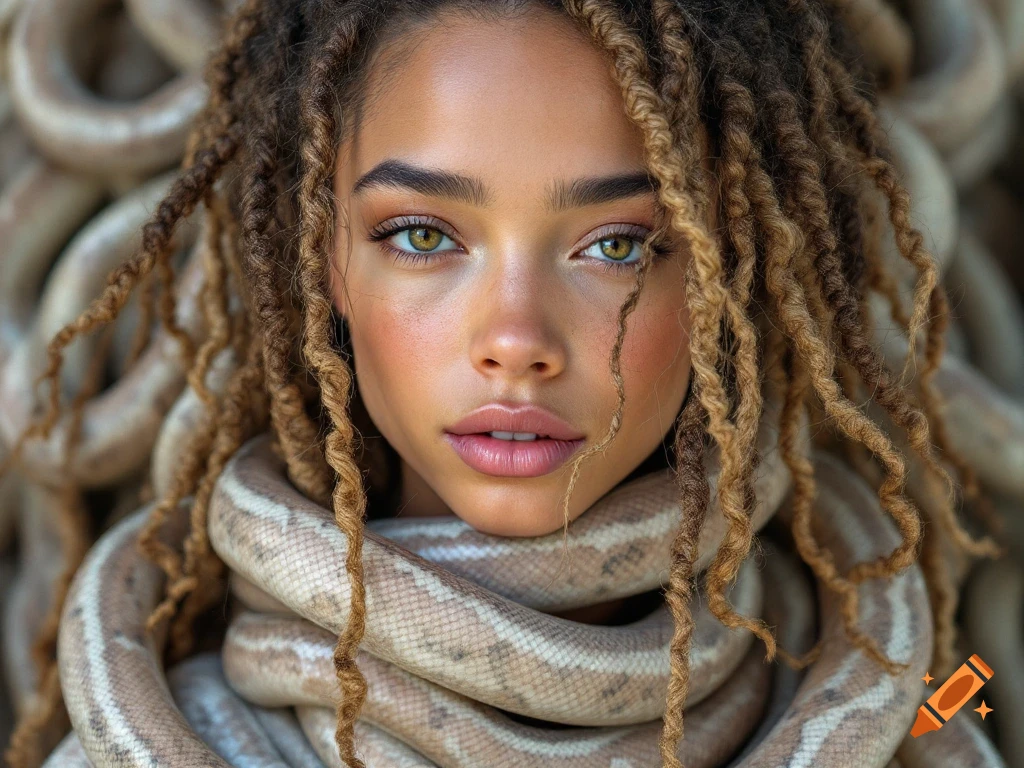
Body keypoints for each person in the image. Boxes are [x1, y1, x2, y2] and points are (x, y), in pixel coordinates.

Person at [4, 0, 1003, 766]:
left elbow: (965, 700)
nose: (515, 340)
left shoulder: (931, 701)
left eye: (617, 245)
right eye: (424, 236)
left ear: (723, 277)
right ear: (323, 268)